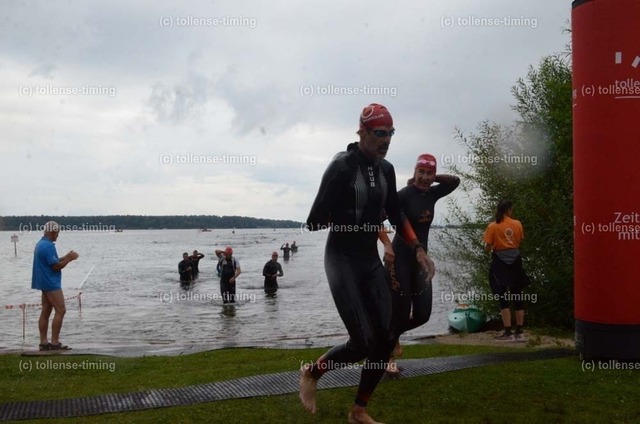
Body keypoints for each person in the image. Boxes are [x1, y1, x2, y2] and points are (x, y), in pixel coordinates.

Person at [300, 103, 434, 423]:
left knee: (386, 337)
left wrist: (417, 248)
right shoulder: (341, 167)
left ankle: (359, 410)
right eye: (380, 133)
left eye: (391, 133)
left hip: (369, 262)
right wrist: (347, 217)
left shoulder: (386, 170)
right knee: (362, 342)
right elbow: (314, 220)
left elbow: (396, 214)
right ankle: (312, 373)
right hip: (341, 261)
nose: (386, 140)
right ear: (362, 132)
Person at [380, 153, 460, 374]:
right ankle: (386, 357)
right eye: (421, 172)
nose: (425, 177)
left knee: (423, 314)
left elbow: (455, 182)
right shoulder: (403, 195)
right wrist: (386, 244)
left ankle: (391, 334)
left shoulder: (432, 193)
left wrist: (433, 178)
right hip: (399, 260)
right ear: (414, 172)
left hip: (422, 261)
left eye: (429, 173)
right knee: (400, 313)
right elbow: (377, 217)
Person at [483, 200, 531, 342]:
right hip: (515, 261)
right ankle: (520, 332)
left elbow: (488, 248)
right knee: (517, 295)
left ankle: (508, 333)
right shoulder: (517, 224)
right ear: (509, 210)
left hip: (500, 262)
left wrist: (491, 249)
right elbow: (519, 240)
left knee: (501, 296)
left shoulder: (492, 226)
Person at [31, 221, 79, 351]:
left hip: (43, 282)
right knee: (61, 310)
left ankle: (43, 343)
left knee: (46, 311)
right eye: (57, 233)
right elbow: (56, 266)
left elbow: (52, 260)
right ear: (52, 232)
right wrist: (69, 259)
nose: (58, 235)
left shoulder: (41, 244)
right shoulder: (48, 246)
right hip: (51, 283)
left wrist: (66, 256)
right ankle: (55, 343)